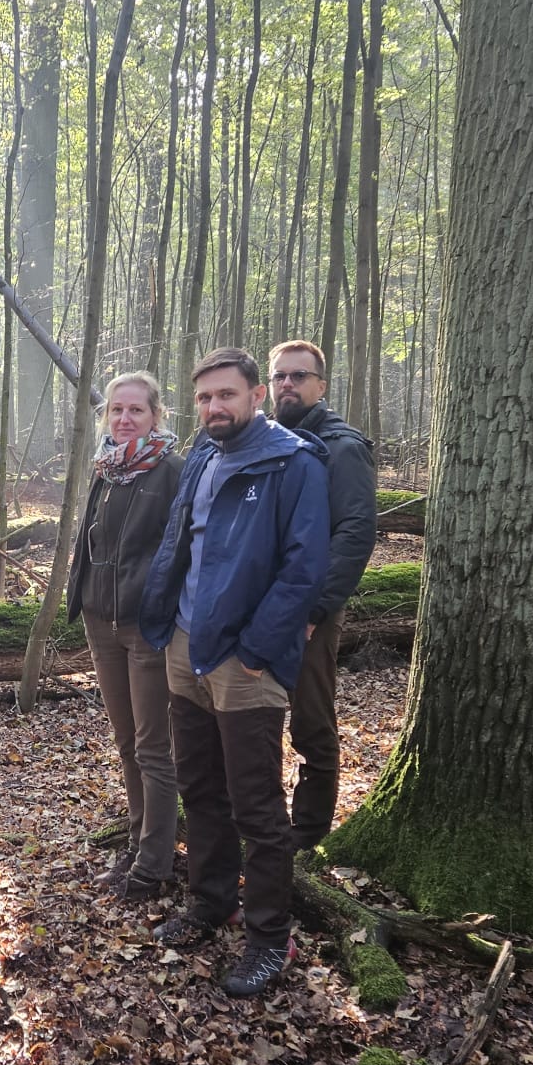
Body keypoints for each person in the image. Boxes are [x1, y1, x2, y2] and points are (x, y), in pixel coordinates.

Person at [140, 347, 330, 998]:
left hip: (244, 661)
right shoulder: (202, 454)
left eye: (226, 395)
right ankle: (210, 903)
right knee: (201, 788)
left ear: (255, 396)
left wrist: (254, 648)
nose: (215, 407)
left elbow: (304, 568)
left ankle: (269, 938)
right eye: (204, 397)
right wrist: (164, 618)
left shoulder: (293, 463)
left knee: (256, 805)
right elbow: (179, 542)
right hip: (186, 647)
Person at [67, 373, 186, 902]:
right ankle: (139, 838)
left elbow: (184, 550)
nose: (124, 419)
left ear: (155, 415)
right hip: (101, 622)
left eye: (136, 410)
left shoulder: (173, 472)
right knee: (124, 741)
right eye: (116, 410)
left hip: (148, 627)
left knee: (152, 746)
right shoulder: (106, 470)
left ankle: (156, 862)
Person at [265, 340, 377, 850]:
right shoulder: (262, 440)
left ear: (321, 386)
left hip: (308, 610)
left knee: (310, 720)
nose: (288, 384)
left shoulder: (342, 447)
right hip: (257, 606)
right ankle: (264, 825)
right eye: (280, 376)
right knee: (255, 717)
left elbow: (354, 532)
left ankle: (308, 837)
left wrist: (315, 608)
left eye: (299, 376)